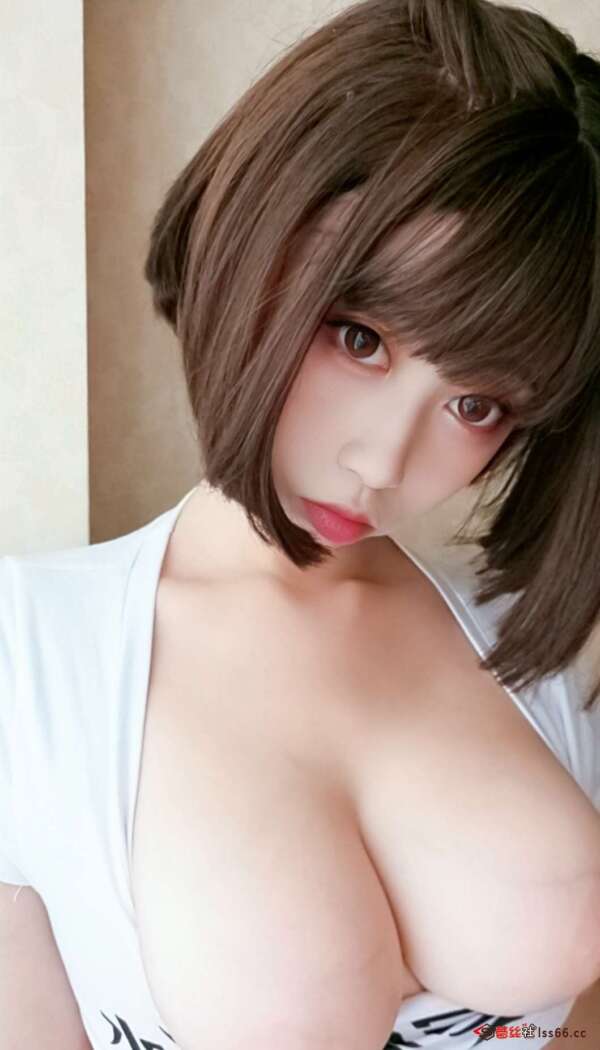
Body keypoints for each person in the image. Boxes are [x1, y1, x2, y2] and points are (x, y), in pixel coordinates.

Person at [2, 0, 600, 1048]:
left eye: (476, 404)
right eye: (360, 338)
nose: (383, 463)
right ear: (252, 242)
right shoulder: (30, 659)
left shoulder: (532, 647)